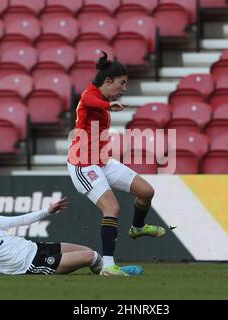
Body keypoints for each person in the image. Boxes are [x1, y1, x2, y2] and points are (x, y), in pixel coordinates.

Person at [67, 52, 166, 276]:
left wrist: (108, 106)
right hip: (83, 164)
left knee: (146, 191)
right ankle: (109, 266)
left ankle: (138, 227)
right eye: (121, 83)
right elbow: (90, 101)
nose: (123, 88)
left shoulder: (101, 100)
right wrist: (109, 106)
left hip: (102, 161)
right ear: (108, 80)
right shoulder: (90, 96)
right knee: (112, 208)